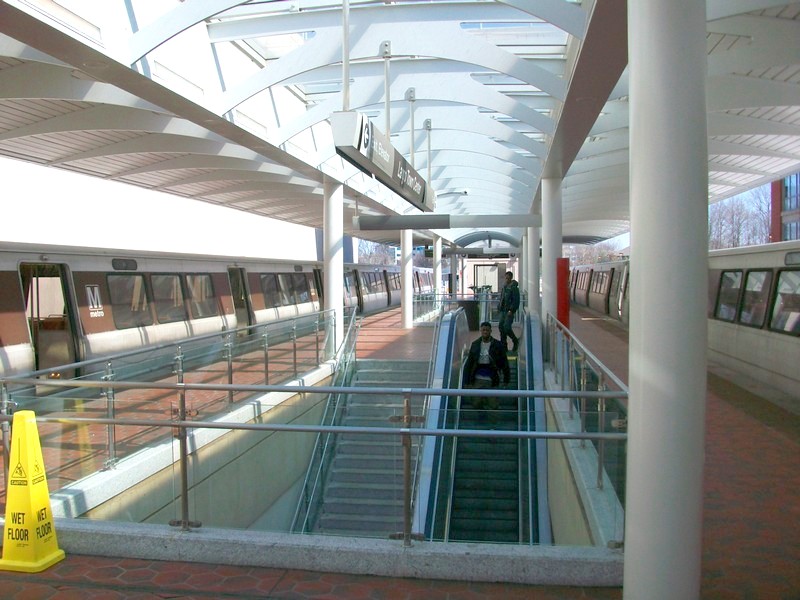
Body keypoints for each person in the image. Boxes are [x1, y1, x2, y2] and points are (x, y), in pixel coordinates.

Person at [463, 321, 510, 411]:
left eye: (487, 330)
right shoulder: (475, 344)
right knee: (476, 403)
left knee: (493, 404)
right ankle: (481, 416)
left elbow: (504, 362)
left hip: (492, 378)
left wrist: (506, 380)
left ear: (490, 331)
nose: (485, 332)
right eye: (483, 330)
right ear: (481, 331)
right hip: (477, 378)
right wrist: (466, 381)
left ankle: (491, 417)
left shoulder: (497, 345)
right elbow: (469, 363)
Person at [498, 270, 520, 352]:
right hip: (503, 310)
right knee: (501, 327)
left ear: (511, 278)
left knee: (506, 327)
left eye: (508, 278)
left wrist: (511, 310)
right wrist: (499, 307)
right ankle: (503, 346)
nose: (506, 280)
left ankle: (515, 340)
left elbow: (516, 300)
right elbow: (502, 298)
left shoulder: (514, 288)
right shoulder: (504, 287)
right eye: (506, 278)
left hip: (509, 311)